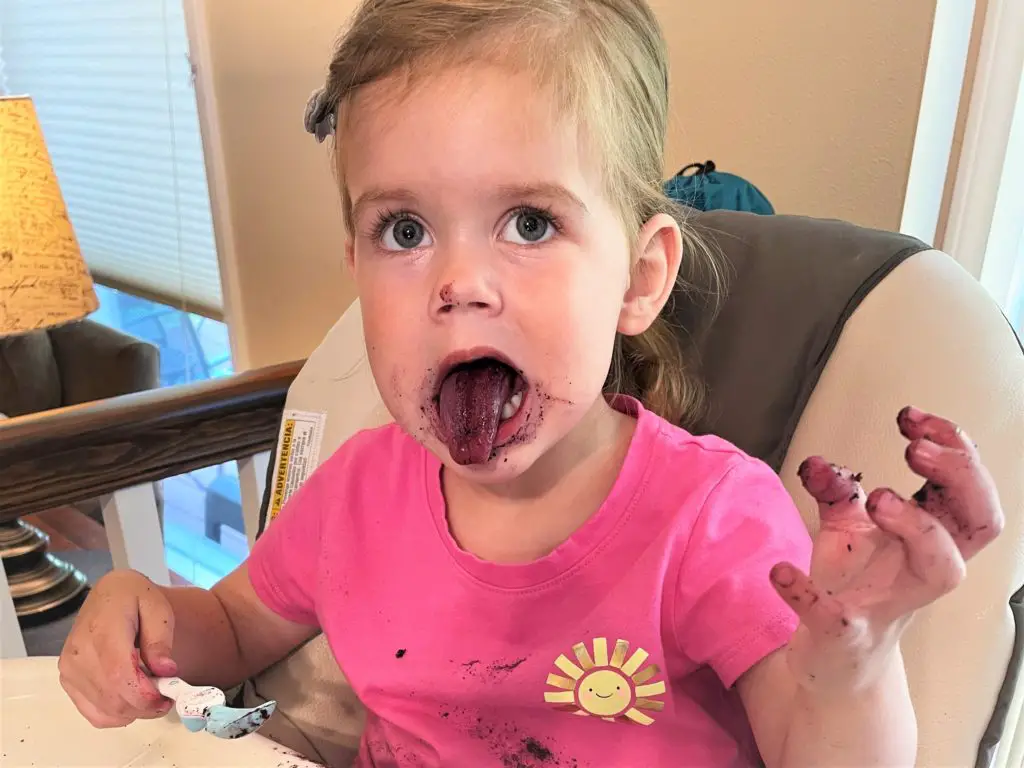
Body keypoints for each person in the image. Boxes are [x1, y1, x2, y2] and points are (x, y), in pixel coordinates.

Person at [57, 1, 1005, 765]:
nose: (458, 282)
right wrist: (144, 616)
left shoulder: (709, 520)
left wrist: (850, 670)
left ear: (638, 279)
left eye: (529, 223)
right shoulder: (356, 494)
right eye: (405, 231)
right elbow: (229, 627)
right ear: (353, 261)